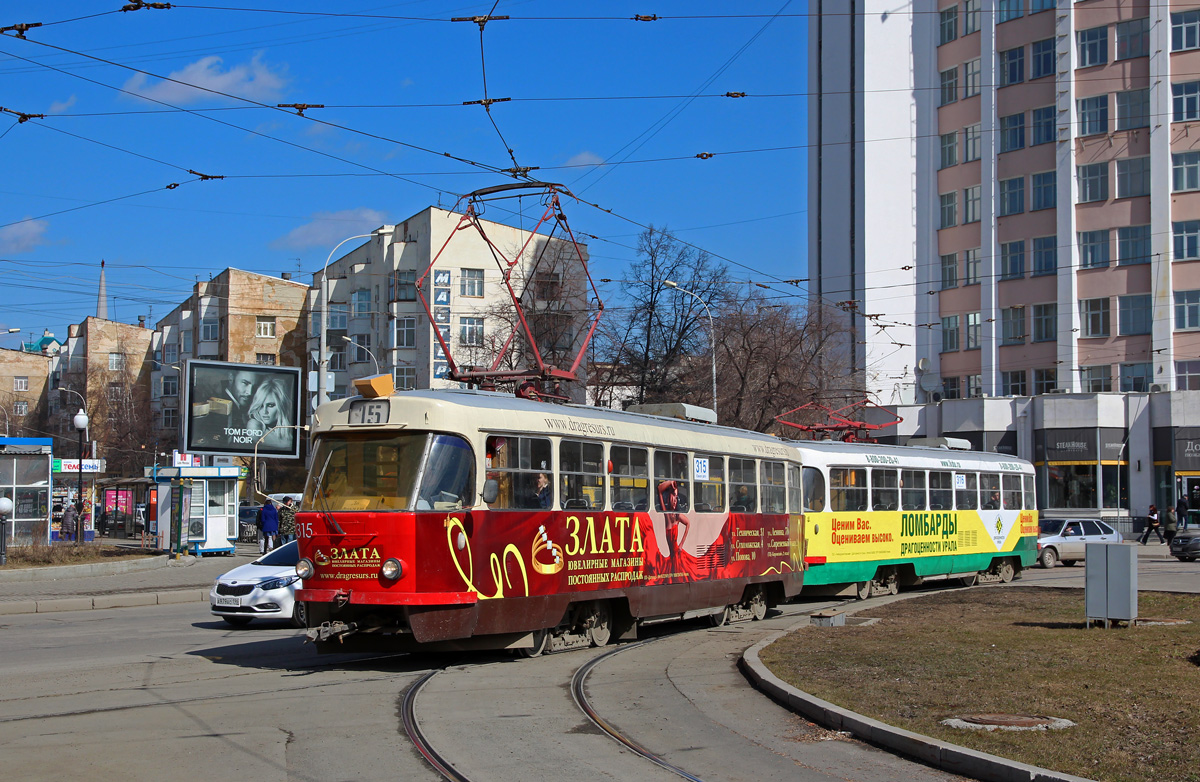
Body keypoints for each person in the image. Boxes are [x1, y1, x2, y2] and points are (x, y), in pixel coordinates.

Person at [247, 378, 293, 449]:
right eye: (261, 406)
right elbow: (287, 443)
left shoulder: (291, 430)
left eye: (270, 405)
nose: (264, 411)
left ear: (281, 406)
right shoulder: (254, 425)